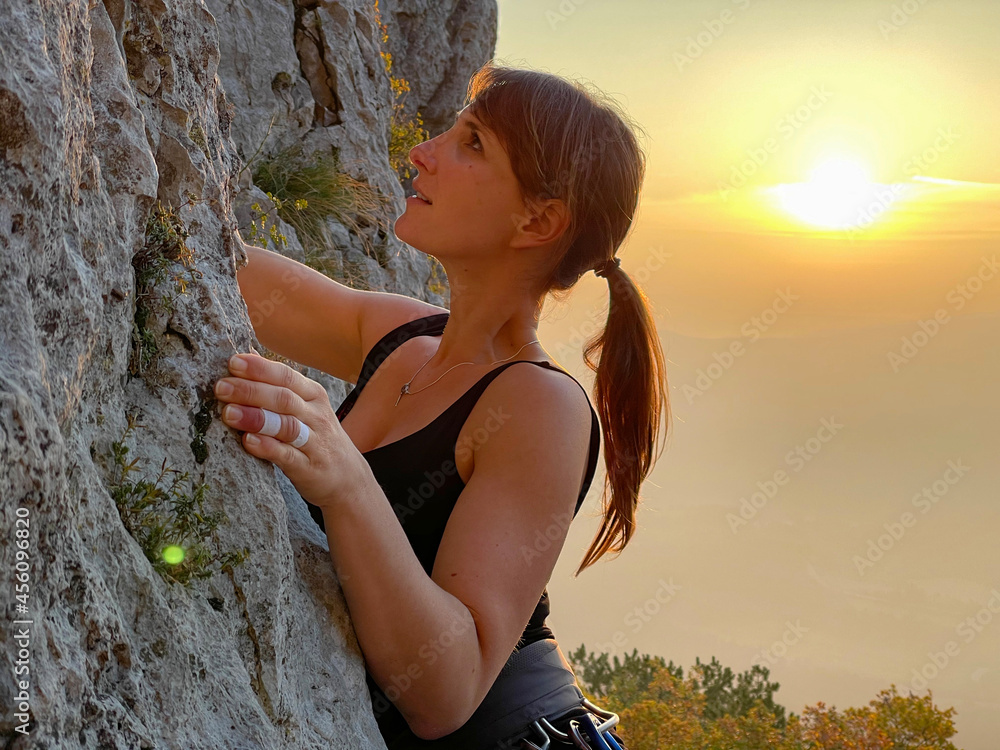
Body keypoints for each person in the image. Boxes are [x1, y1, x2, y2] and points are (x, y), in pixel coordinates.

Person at [216, 61, 670, 748]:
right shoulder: (397, 334)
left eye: (473, 144)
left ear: (538, 220)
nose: (421, 154)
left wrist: (344, 480)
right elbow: (213, 262)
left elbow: (445, 693)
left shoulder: (541, 407)